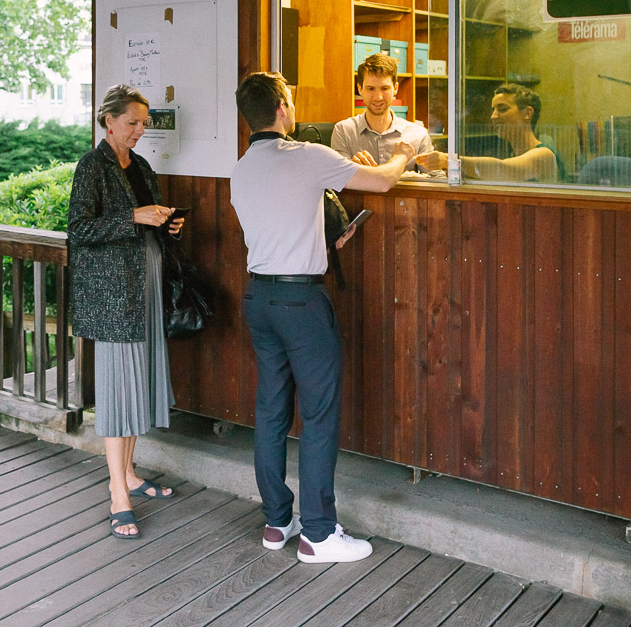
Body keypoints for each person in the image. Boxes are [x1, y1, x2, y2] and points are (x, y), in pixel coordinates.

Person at [230, 71, 414, 563]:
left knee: (270, 412)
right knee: (317, 415)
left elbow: (279, 222)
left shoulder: (241, 167)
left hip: (259, 299)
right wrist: (404, 152)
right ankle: (318, 533)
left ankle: (277, 522)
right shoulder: (308, 156)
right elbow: (382, 181)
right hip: (302, 304)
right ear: (284, 108)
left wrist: (326, 241)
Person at [68, 84, 184, 540]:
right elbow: (78, 230)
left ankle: (131, 474)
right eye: (133, 122)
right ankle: (118, 493)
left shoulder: (140, 166)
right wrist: (134, 218)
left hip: (146, 286)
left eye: (144, 123)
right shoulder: (90, 167)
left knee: (137, 386)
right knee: (118, 395)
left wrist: (168, 222)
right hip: (113, 296)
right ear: (108, 121)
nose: (140, 131)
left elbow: (150, 221)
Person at [417, 82, 559, 182]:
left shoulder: (544, 155)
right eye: (493, 110)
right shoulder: (511, 154)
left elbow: (503, 170)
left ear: (528, 113)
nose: (493, 116)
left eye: (502, 109)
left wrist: (449, 161)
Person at [330, 52, 434, 169]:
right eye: (371, 89)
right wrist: (355, 172)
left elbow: (436, 182)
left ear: (395, 88)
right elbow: (338, 181)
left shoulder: (418, 135)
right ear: (360, 89)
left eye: (384, 88)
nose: (378, 97)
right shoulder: (343, 131)